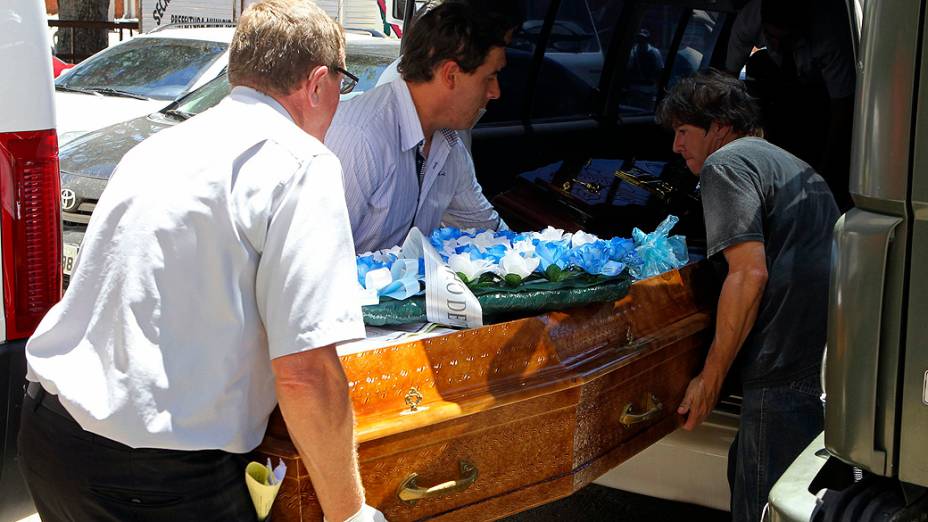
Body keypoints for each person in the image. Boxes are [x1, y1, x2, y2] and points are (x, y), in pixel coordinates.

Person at [19, 1, 383, 521]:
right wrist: (351, 515)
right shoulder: (302, 163)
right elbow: (305, 372)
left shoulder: (157, 146)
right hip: (153, 474)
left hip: (51, 434)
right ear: (319, 84)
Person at [656, 70, 839, 522]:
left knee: (760, 501)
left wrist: (710, 378)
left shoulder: (728, 164)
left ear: (719, 126)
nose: (676, 147)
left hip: (782, 367)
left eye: (683, 131)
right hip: (821, 359)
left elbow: (748, 274)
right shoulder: (783, 161)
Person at [325, 1, 509, 253]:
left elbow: (488, 228)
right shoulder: (361, 137)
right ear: (451, 74)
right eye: (489, 77)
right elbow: (314, 261)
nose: (495, 92)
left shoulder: (448, 144)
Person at [725, 0, 855, 210]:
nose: (776, 44)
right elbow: (727, 81)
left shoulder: (829, 36)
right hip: (774, 87)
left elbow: (842, 107)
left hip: (817, 95)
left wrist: (824, 170)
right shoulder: (750, 19)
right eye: (771, 37)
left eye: (784, 39)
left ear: (800, 30)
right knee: (758, 63)